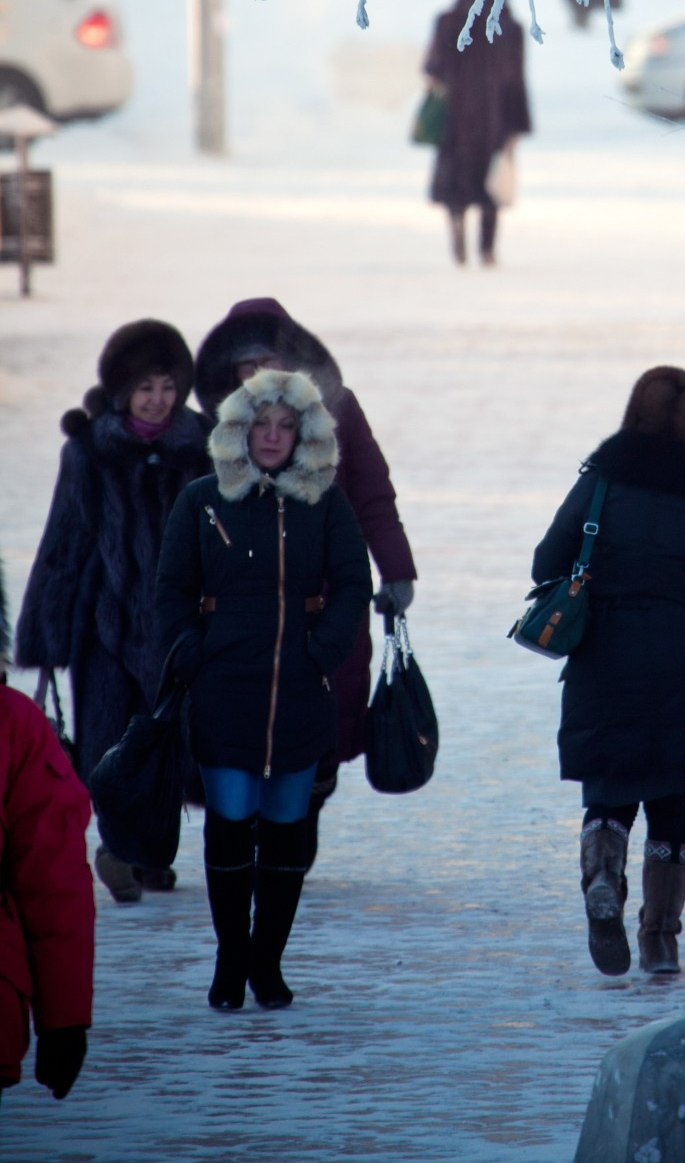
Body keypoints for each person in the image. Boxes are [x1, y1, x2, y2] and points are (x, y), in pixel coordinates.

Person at [156, 369, 372, 1011]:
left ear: (304, 435)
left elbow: (352, 584)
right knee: (228, 824)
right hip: (225, 685)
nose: (274, 436)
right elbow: (170, 592)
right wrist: (194, 654)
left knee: (287, 829)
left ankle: (267, 963)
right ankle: (230, 959)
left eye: (287, 426)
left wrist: (323, 650)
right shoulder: (201, 501)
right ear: (238, 429)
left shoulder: (326, 502)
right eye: (263, 424)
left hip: (301, 687)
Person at [531, 366, 685, 977]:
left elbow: (545, 562)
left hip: (605, 656)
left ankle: (603, 873)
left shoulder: (602, 483)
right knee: (670, 800)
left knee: (609, 787)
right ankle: (660, 939)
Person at [193, 296, 418, 863]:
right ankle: (255, 833)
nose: (259, 375)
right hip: (244, 603)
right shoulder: (217, 427)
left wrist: (396, 570)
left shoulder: (338, 409)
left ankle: (299, 822)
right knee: (248, 721)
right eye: (247, 366)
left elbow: (373, 492)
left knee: (326, 718)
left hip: (328, 594)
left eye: (268, 360)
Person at [14, 320, 210, 904]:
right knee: (108, 748)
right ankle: (118, 851)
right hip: (107, 628)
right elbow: (63, 544)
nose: (157, 399)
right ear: (123, 390)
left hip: (179, 631)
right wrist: (47, 639)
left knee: (172, 743)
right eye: (146, 387)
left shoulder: (200, 448)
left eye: (168, 387)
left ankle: (150, 852)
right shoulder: (90, 452)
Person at [0, 565, 94, 1108]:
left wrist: (64, 1017)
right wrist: (63, 1018)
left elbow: (51, 875)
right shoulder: (14, 724)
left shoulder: (14, 726)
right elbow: (53, 878)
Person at [423, 0, 532, 266]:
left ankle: (457, 225)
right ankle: (487, 248)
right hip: (494, 121)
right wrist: (516, 126)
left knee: (455, 182)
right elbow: (516, 82)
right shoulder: (510, 28)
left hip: (454, 120)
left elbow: (432, 68)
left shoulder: (448, 20)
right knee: (491, 185)